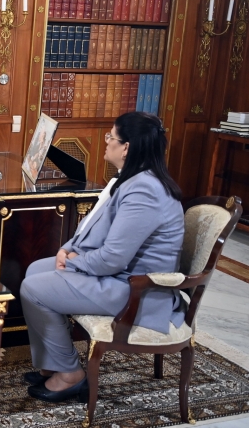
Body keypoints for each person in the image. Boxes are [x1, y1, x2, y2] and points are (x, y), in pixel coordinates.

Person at [20, 112, 184, 403]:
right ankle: (52, 363)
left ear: (126, 148)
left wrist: (72, 262)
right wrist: (66, 250)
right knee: (35, 270)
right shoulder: (133, 180)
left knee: (35, 289)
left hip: (137, 291)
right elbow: (93, 227)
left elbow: (112, 259)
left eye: (111, 137)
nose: (106, 142)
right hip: (119, 278)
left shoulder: (145, 190)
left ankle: (70, 374)